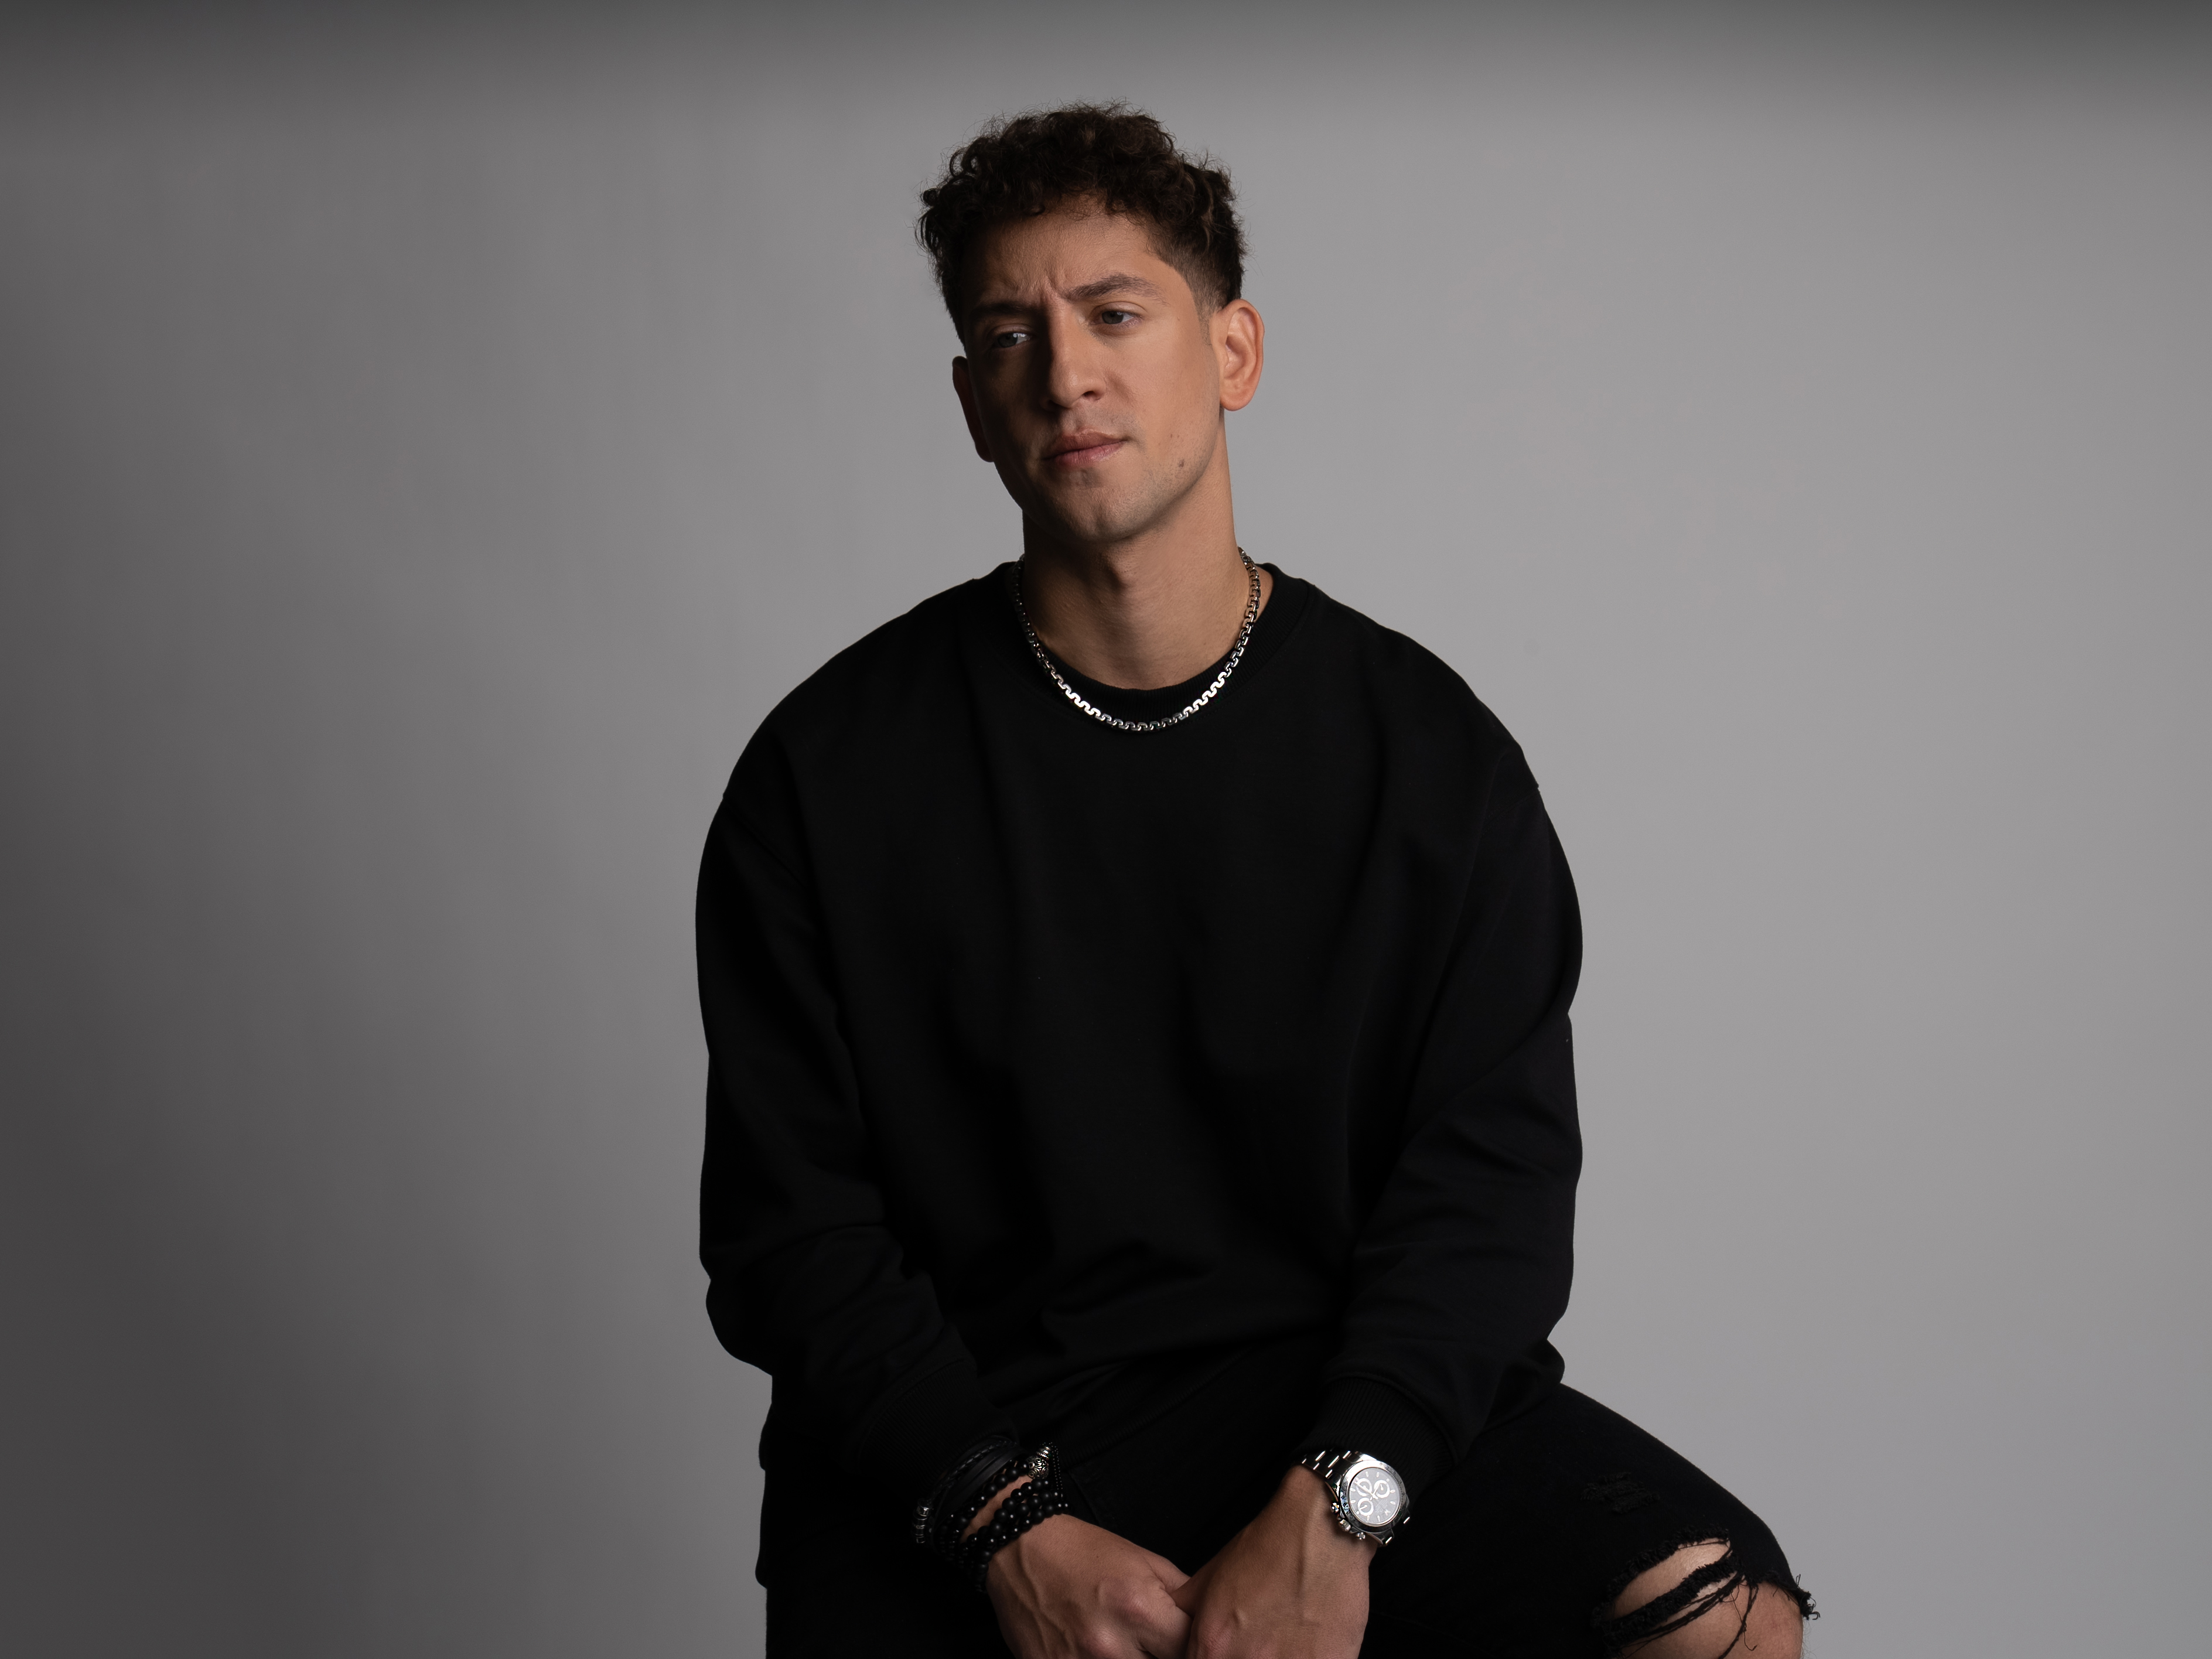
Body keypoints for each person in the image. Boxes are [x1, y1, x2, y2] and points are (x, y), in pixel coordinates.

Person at [697, 103, 1812, 1659]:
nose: (1065, 374)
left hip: (1306, 1399)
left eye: (1115, 314)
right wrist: (1004, 1525)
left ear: (1234, 352)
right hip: (952, 1431)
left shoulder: (1428, 759)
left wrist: (1339, 1506)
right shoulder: (825, 774)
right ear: (971, 405)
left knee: (1725, 1623)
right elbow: (793, 1237)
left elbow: (1487, 1194)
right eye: (1010, 334)